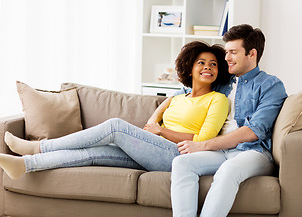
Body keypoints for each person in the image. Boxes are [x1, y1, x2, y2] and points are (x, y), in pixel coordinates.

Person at [0, 41, 230, 180]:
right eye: (201, 62)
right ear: (189, 67)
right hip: (152, 151)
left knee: (115, 127)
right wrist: (153, 124)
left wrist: (161, 132)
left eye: (213, 64)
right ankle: (24, 165)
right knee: (94, 153)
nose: (208, 67)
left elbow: (204, 140)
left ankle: (39, 147)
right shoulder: (179, 97)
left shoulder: (218, 100)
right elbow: (158, 113)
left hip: (179, 156)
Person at [170, 24, 288, 217]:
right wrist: (157, 114)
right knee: (182, 163)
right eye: (226, 52)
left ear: (252, 54)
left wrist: (203, 145)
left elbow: (253, 131)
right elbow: (184, 93)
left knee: (229, 170)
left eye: (233, 52)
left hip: (254, 152)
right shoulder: (223, 83)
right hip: (221, 151)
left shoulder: (271, 85)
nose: (226, 58)